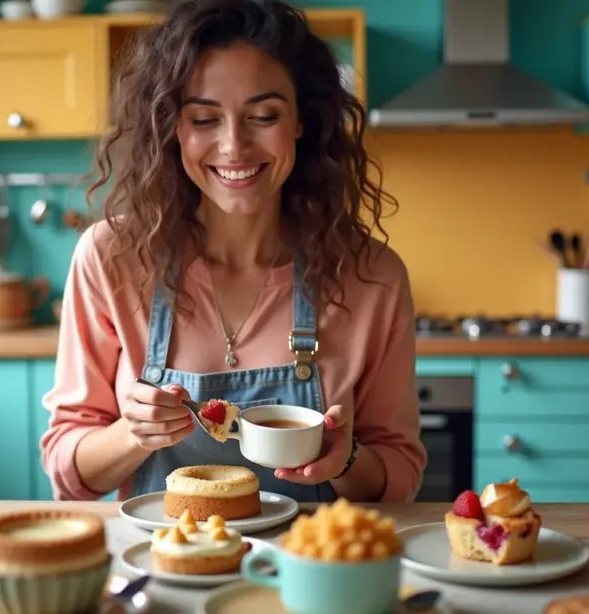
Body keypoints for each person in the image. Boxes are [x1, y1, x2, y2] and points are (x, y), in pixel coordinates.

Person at [40, 0, 426, 504]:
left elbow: (398, 475)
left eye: (262, 115)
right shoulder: (112, 258)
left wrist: (346, 459)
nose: (234, 145)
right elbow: (69, 474)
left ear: (302, 120)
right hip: (166, 570)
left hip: (311, 571)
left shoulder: (372, 276)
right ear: (172, 129)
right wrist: (131, 433)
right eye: (203, 119)